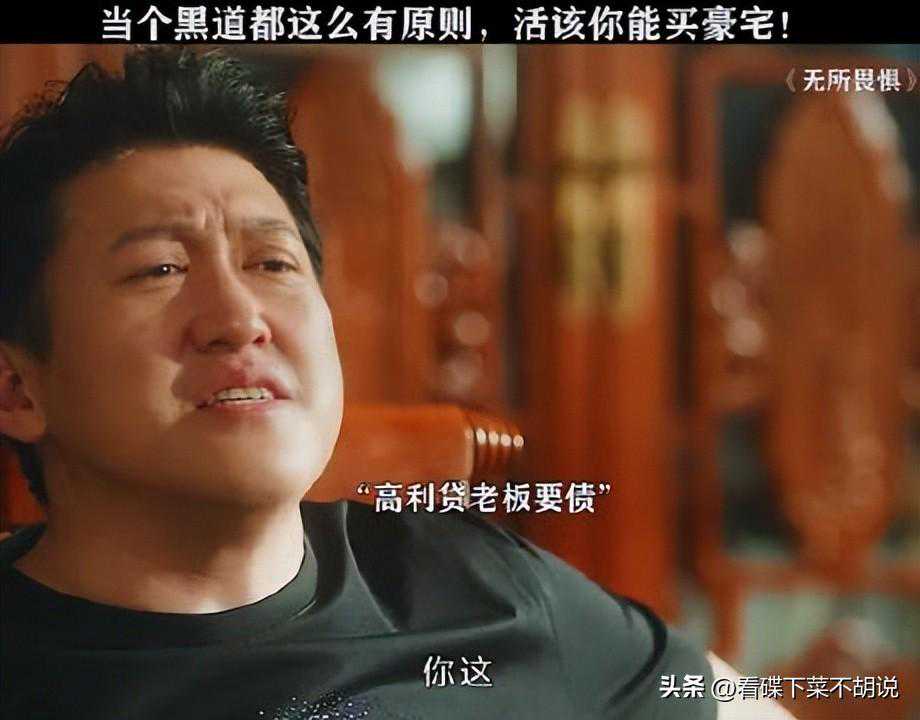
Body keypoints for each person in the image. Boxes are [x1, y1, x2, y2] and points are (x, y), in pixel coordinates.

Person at [0, 46, 792, 720]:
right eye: (160, 269)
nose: (239, 318)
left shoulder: (474, 586)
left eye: (273, 263)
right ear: (17, 389)